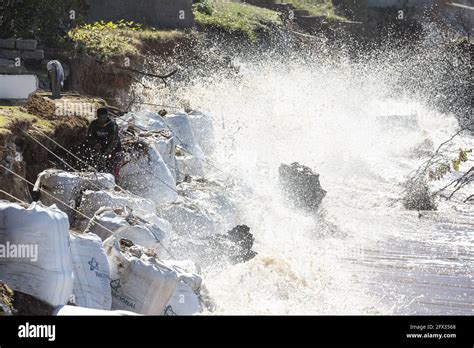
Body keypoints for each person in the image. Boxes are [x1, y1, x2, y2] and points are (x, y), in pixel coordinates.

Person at [86, 107, 122, 179]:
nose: (103, 120)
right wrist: (94, 143)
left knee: (113, 162)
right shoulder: (93, 124)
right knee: (94, 159)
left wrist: (105, 154)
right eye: (101, 117)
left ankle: (116, 179)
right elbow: (89, 136)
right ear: (98, 116)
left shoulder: (112, 125)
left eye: (105, 117)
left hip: (113, 147)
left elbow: (113, 141)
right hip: (99, 146)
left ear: (107, 116)